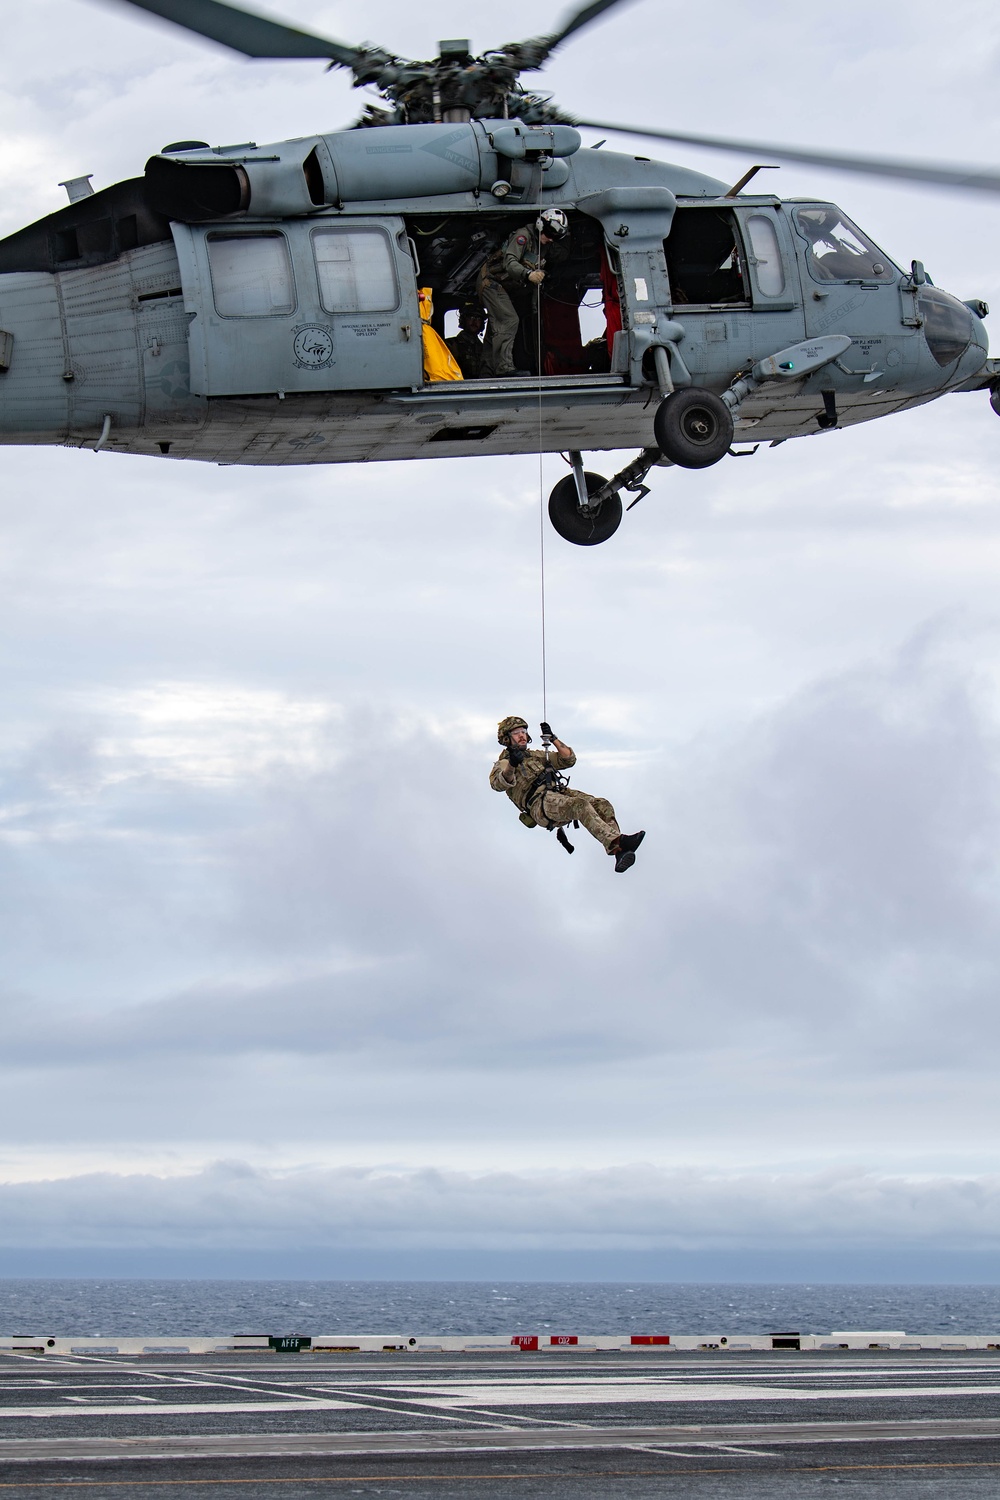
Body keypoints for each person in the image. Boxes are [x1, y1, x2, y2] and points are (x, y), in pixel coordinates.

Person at [490, 715, 645, 872]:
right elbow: (498, 784)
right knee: (580, 806)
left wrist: (553, 738)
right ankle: (615, 841)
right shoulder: (503, 763)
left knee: (602, 804)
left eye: (523, 731)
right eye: (516, 733)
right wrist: (512, 765)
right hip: (540, 805)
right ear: (507, 738)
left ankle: (619, 849)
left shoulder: (534, 756)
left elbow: (568, 759)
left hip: (559, 793)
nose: (522, 735)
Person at [480, 209, 571, 378]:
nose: (550, 239)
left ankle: (487, 372)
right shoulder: (523, 236)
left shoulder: (544, 244)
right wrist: (528, 274)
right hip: (491, 281)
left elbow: (559, 255)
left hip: (504, 285)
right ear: (539, 224)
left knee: (496, 328)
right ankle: (504, 369)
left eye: (555, 238)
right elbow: (510, 263)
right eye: (549, 234)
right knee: (508, 319)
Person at [446, 304, 487, 378]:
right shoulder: (451, 344)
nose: (474, 321)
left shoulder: (484, 348)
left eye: (478, 318)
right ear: (463, 320)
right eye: (471, 317)